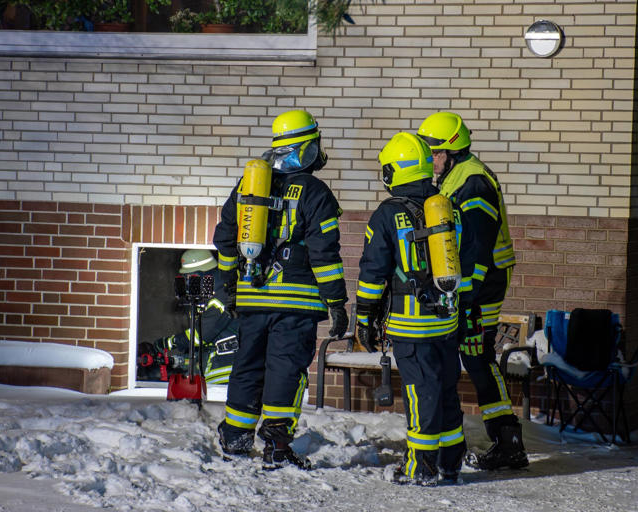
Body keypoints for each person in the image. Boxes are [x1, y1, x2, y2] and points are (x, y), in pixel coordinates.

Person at [213, 109, 348, 470]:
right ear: (307, 148)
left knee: (247, 366)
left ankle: (236, 436)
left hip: (251, 296)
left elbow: (225, 237)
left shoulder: (249, 184)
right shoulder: (315, 192)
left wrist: (229, 285)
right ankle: (276, 444)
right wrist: (336, 301)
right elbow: (324, 253)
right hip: (295, 303)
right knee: (285, 370)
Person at [355, 132, 477, 486]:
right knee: (445, 391)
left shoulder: (387, 214)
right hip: (447, 321)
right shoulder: (450, 208)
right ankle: (450, 462)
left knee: (420, 393)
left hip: (411, 326)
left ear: (396, 170)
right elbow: (467, 265)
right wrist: (464, 314)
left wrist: (364, 318)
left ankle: (420, 467)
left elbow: (373, 273)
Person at [417, 112, 528, 470]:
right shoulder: (453, 178)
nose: (428, 159)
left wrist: (465, 297)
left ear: (451, 151)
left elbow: (477, 249)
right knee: (474, 356)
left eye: (432, 152)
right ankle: (504, 439)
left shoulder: (474, 183)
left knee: (478, 355)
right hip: (471, 284)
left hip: (482, 283)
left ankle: (508, 441)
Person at [137, 249, 236, 385]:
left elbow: (199, 336)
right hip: (214, 368)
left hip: (225, 371)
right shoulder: (208, 297)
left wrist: (167, 343)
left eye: (191, 277)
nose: (188, 282)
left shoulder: (221, 297)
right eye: (186, 278)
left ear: (204, 275)